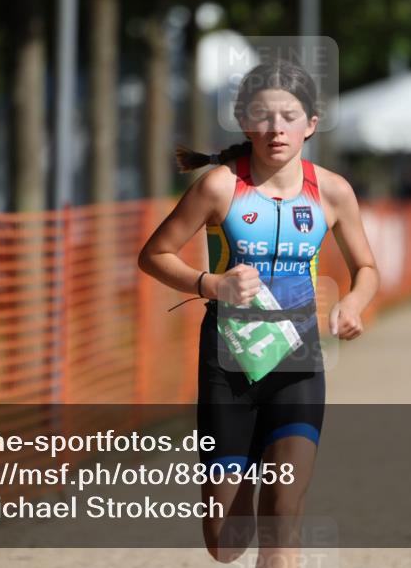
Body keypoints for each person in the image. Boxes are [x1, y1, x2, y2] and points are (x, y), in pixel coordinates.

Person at [138, 59, 379, 566]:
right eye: (264, 117)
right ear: (245, 122)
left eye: (289, 116)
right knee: (225, 542)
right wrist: (212, 283)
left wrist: (355, 302)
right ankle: (241, 464)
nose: (276, 129)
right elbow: (153, 255)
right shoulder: (218, 187)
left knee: (283, 510)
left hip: (297, 362)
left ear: (311, 124)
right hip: (228, 366)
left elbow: (366, 267)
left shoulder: (331, 191)